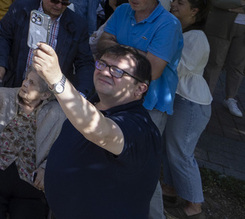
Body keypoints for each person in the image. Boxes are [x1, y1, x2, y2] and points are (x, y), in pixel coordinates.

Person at [34, 43, 162, 219]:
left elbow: (100, 131)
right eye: (102, 64)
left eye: (117, 71)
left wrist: (57, 79)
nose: (105, 71)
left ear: (140, 89)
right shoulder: (89, 105)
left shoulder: (139, 128)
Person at [97, 0, 183, 219]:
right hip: (117, 99)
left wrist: (118, 49)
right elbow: (102, 43)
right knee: (112, 157)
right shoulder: (123, 10)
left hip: (151, 104)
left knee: (142, 166)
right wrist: (136, 53)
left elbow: (153, 71)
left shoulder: (169, 25)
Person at [0, 69, 66, 219]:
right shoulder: (1, 96)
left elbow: (61, 149)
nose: (24, 83)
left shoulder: (58, 114)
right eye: (26, 79)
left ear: (45, 95)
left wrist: (46, 168)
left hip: (28, 187)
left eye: (32, 83)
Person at [0, 0, 94, 96]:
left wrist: (81, 93)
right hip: (17, 82)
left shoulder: (77, 24)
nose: (58, 6)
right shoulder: (21, 9)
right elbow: (4, 36)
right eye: (54, 0)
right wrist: (1, 64)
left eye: (65, 3)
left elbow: (84, 62)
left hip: (52, 93)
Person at [162, 0, 212, 218]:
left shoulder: (197, 38)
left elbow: (179, 67)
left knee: (181, 152)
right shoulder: (180, 30)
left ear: (194, 11)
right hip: (179, 99)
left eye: (180, 2)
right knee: (169, 149)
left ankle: (194, 207)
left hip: (190, 102)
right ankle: (170, 190)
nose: (173, 4)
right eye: (174, 0)